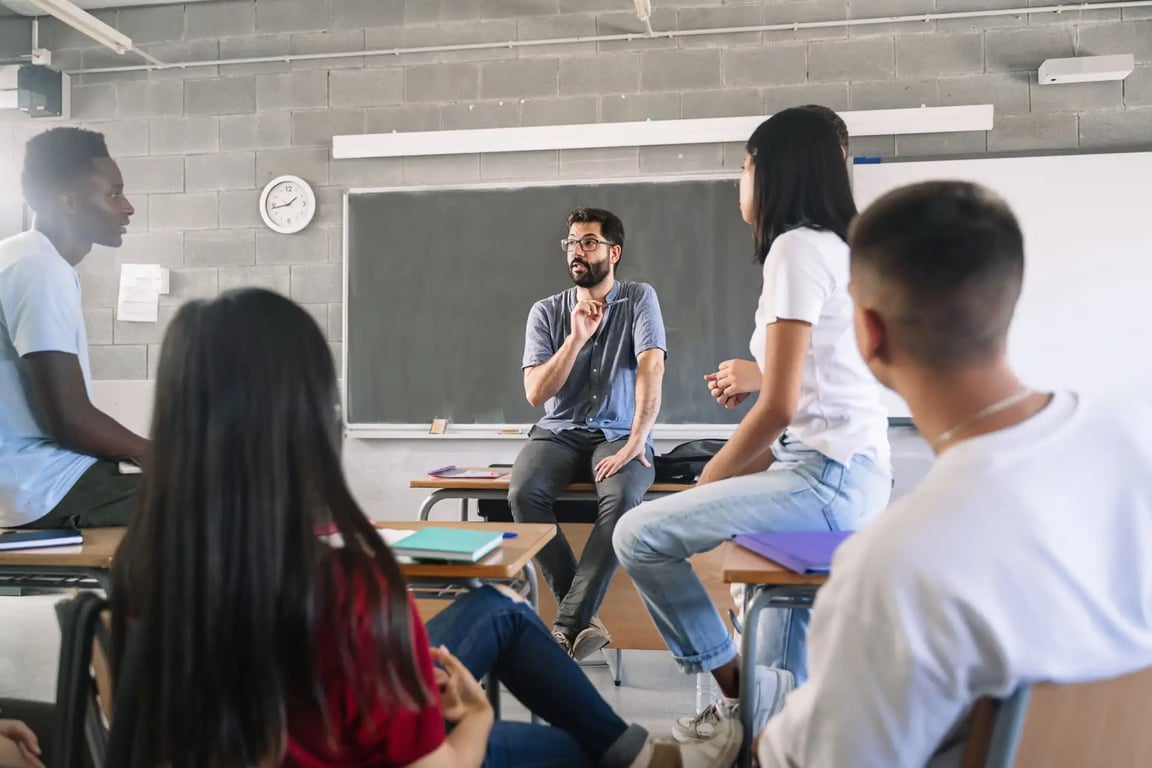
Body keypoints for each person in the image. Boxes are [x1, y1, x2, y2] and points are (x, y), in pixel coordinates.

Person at [108, 288, 735, 768]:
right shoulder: (350, 593)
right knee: (577, 753)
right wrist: (478, 718)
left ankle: (629, 732)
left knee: (499, 609)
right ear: (307, 419)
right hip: (369, 745)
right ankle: (636, 756)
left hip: (276, 732)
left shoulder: (140, 566)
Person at [754, 180, 1152, 766]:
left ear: (869, 331)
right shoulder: (1134, 446)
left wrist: (768, 738)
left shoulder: (893, 565)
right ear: (1007, 298)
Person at [613, 107, 892, 744]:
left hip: (825, 481)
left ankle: (742, 695)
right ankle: (762, 718)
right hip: (843, 474)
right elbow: (822, 385)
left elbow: (781, 409)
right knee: (781, 668)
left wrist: (708, 482)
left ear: (773, 171)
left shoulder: (794, 249)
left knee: (637, 534)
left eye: (744, 167)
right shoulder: (840, 249)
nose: (740, 181)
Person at [510, 207, 666, 661]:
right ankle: (581, 619)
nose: (577, 252)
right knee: (522, 493)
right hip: (558, 432)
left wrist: (638, 440)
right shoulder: (546, 311)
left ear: (613, 252)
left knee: (621, 498)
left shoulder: (638, 298)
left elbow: (651, 367)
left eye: (589, 243)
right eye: (572, 243)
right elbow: (536, 393)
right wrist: (576, 338)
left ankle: (566, 625)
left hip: (621, 431)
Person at [0, 127, 148, 530]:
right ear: (68, 201)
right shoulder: (39, 267)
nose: (128, 207)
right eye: (113, 194)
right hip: (37, 485)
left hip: (27, 481)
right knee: (227, 496)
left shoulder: (18, 257)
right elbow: (71, 421)